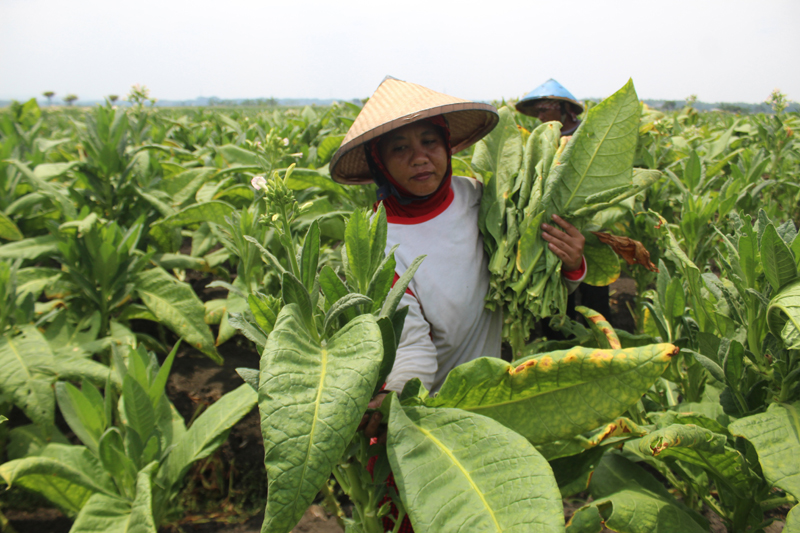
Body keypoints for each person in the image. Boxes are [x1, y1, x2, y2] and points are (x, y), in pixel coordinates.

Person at [329, 76, 586, 532]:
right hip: (418, 413)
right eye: (399, 149)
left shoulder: (484, 199)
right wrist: (399, 404)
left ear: (448, 145)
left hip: (487, 404)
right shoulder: (376, 237)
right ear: (378, 162)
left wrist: (569, 265)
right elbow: (409, 344)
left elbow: (530, 288)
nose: (420, 158)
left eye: (430, 141)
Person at [516, 79, 612, 324]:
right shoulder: (542, 139)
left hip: (587, 223)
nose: (539, 117)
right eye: (536, 111)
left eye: (543, 109)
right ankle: (561, 338)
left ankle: (599, 343)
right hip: (553, 227)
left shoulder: (587, 135)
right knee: (558, 291)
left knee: (594, 294)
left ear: (561, 108)